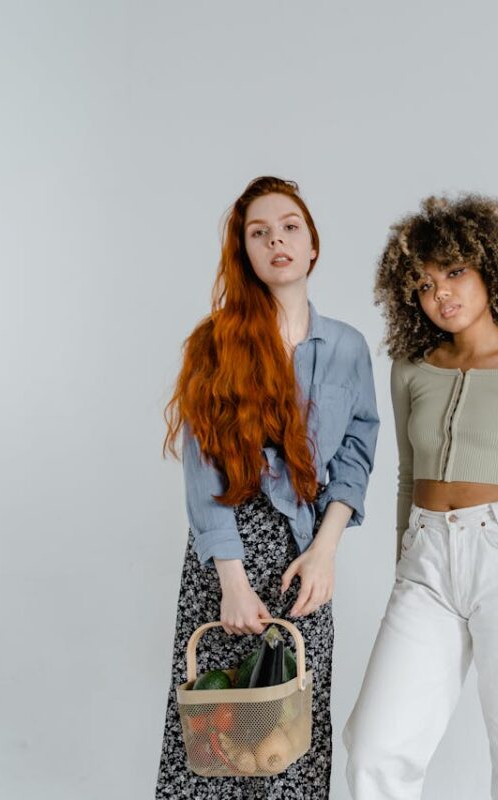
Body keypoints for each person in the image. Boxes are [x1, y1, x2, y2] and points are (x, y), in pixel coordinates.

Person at [343, 194, 498, 799]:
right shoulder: (411, 367)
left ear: (489, 267)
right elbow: (407, 478)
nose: (442, 294)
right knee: (375, 745)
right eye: (425, 284)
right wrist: (404, 565)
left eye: (454, 272)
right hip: (426, 560)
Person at [155, 176, 379, 799]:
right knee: (218, 734)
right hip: (227, 558)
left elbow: (358, 454)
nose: (276, 240)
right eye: (259, 233)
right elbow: (202, 473)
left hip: (307, 554)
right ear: (245, 253)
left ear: (311, 246)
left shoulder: (348, 348)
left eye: (289, 228)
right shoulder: (216, 344)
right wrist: (231, 581)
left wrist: (327, 550)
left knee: (293, 729)